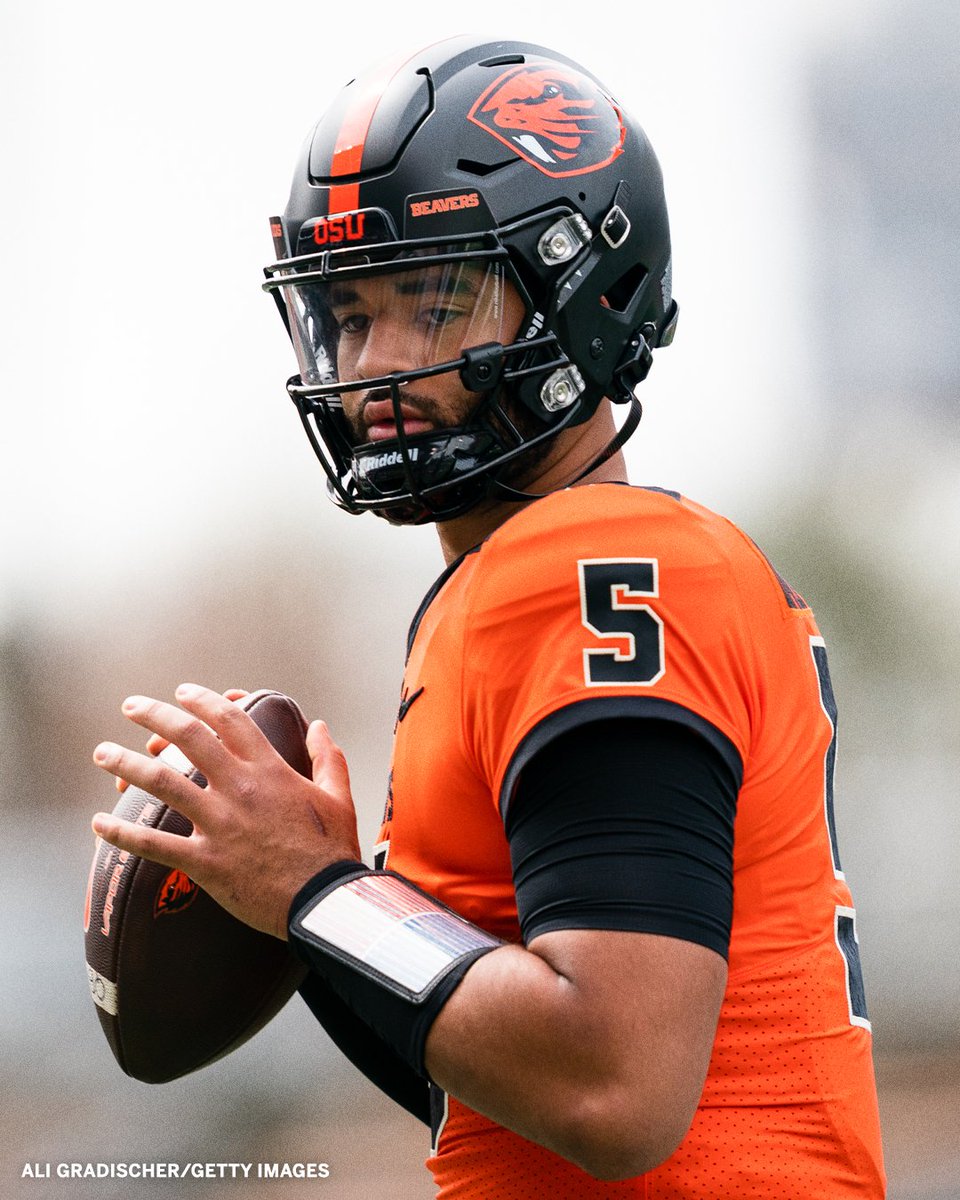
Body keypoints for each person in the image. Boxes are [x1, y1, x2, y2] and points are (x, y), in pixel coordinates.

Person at [91, 35, 887, 1198]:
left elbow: (614, 1087)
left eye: (437, 299)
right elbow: (497, 1090)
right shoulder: (527, 577)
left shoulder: (586, 560)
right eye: (349, 316)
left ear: (584, 291)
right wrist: (308, 917)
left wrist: (317, 890)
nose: (377, 365)